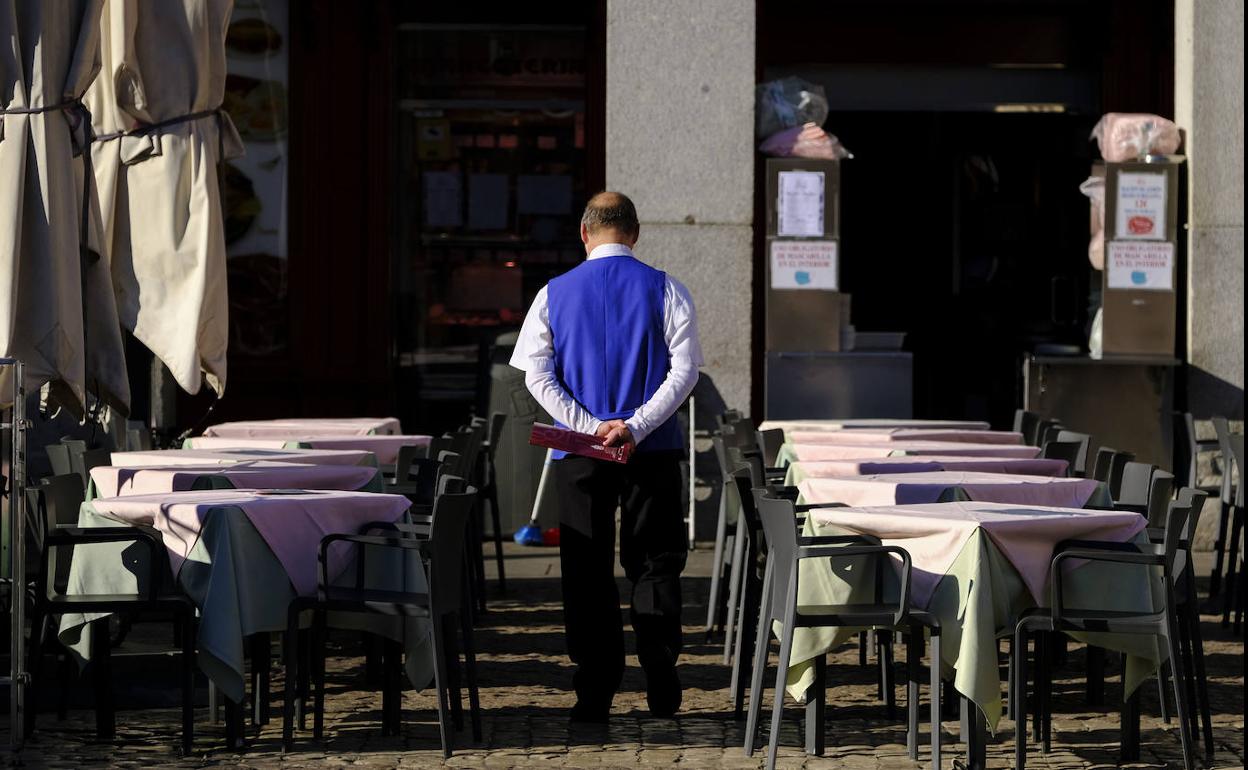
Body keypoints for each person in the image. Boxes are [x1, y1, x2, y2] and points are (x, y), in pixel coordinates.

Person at [510, 191, 703, 722]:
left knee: (586, 565)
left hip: (580, 450)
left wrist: (591, 426)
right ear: (635, 233)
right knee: (656, 560)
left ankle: (594, 687)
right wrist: (635, 425)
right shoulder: (668, 289)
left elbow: (535, 374)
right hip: (653, 446)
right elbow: (684, 373)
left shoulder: (553, 293)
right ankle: (660, 663)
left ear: (584, 233)